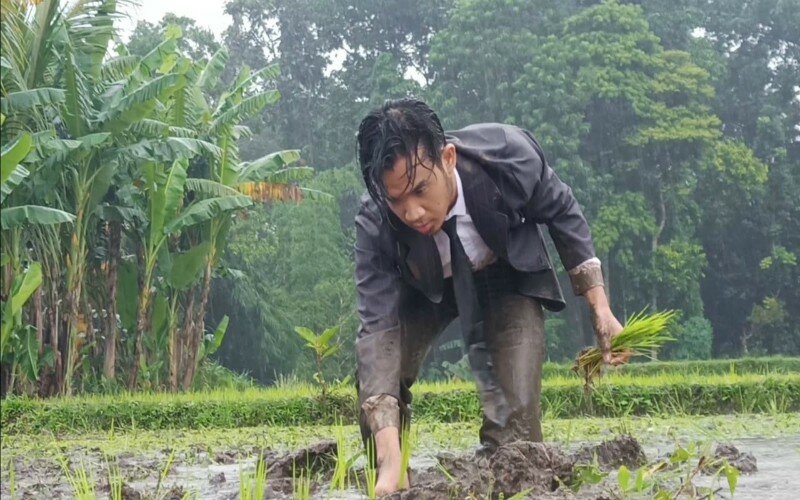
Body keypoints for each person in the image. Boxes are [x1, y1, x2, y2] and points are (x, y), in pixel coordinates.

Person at [354, 98, 627, 495]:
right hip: (425, 288)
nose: (411, 212)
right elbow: (377, 330)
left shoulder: (508, 157)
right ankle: (396, 477)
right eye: (395, 200)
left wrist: (600, 309)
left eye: (419, 190)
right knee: (374, 384)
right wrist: (390, 461)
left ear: (447, 157)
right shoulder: (375, 224)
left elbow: (564, 214)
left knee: (517, 430)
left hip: (505, 274)